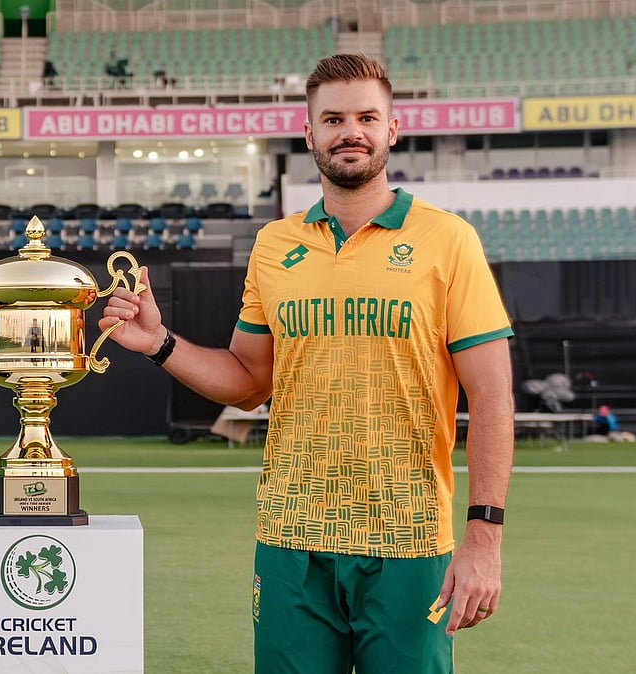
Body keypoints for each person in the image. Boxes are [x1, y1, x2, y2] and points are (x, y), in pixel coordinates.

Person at [100, 54, 515, 673]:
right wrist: (161, 343)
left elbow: (491, 397)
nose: (352, 131)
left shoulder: (448, 239)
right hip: (292, 537)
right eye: (334, 118)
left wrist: (484, 534)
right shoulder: (275, 245)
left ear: (392, 130)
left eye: (367, 117)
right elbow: (247, 382)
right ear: (310, 133)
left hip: (407, 541)